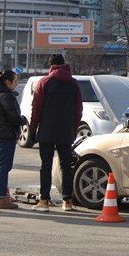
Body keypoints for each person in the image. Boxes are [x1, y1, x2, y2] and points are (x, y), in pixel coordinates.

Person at [28, 54, 83, 212]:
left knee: (45, 165)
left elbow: (36, 109)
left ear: (51, 65)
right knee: (66, 166)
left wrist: (32, 130)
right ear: (64, 64)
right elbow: (79, 111)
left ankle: (44, 201)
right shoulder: (74, 84)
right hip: (66, 131)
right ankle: (68, 201)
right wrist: (73, 129)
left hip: (46, 130)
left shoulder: (44, 82)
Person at [0, 69, 25, 210]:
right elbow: (14, 117)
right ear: (7, 82)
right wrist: (23, 120)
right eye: (15, 81)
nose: (16, 84)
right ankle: (2, 198)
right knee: (4, 167)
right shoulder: (6, 96)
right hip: (5, 134)